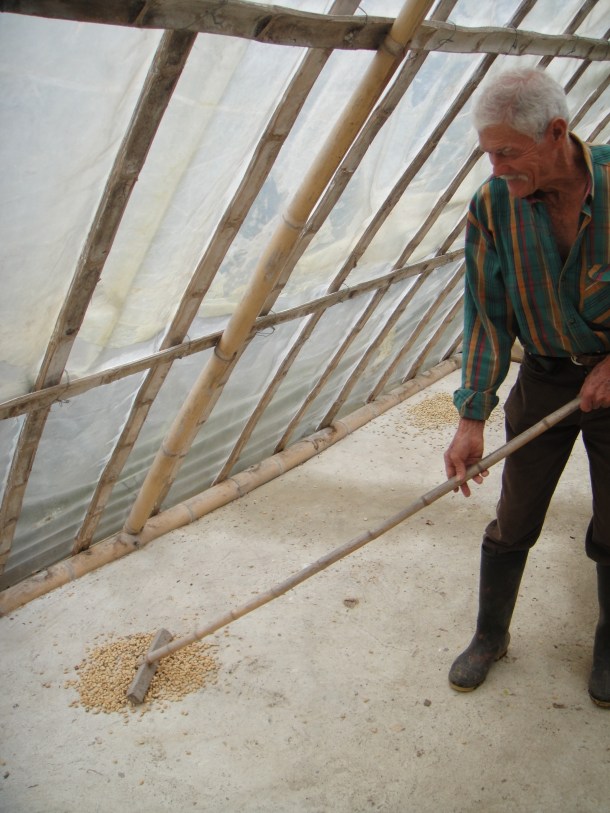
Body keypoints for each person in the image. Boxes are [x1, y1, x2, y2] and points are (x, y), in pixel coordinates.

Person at [443, 67, 610, 707]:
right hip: (544, 375)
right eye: (488, 153)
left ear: (558, 133)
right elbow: (486, 316)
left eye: (507, 153)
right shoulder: (493, 207)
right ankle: (490, 636)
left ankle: (609, 649)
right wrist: (472, 415)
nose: (496, 169)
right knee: (513, 518)